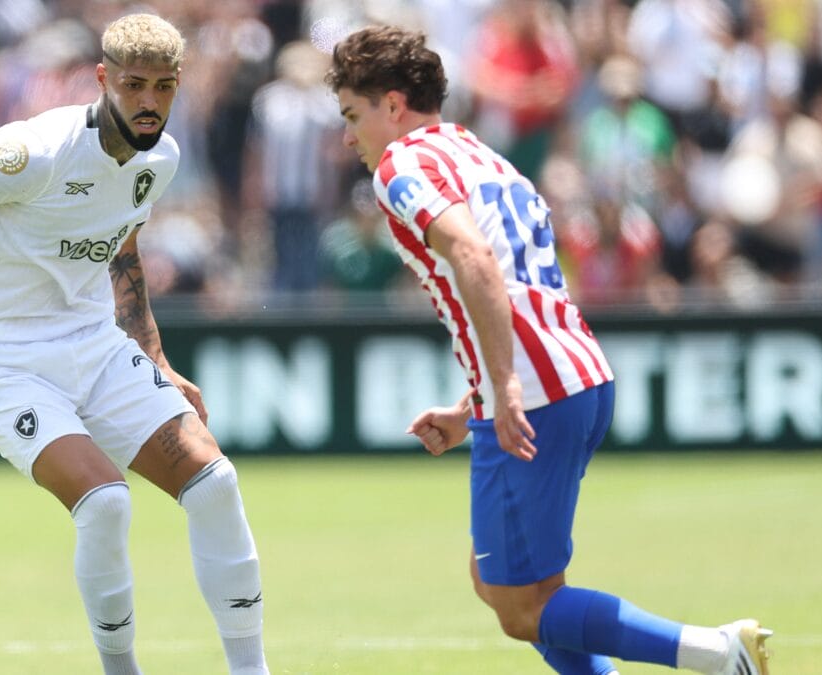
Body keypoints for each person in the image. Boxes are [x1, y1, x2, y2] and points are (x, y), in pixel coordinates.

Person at [325, 25, 771, 675]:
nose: (347, 136)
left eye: (351, 114)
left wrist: (502, 384)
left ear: (392, 105)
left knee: (517, 602)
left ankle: (716, 652)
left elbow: (474, 256)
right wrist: (472, 401)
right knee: (505, 583)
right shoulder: (485, 157)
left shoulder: (402, 165)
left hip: (534, 389)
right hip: (579, 375)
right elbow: (518, 281)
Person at [0, 14, 268, 675]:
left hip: (92, 346)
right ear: (102, 79)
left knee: (215, 484)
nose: (149, 102)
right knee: (106, 501)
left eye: (164, 87)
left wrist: (157, 361)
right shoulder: (34, 151)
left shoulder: (160, 159)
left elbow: (122, 250)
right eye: (134, 85)